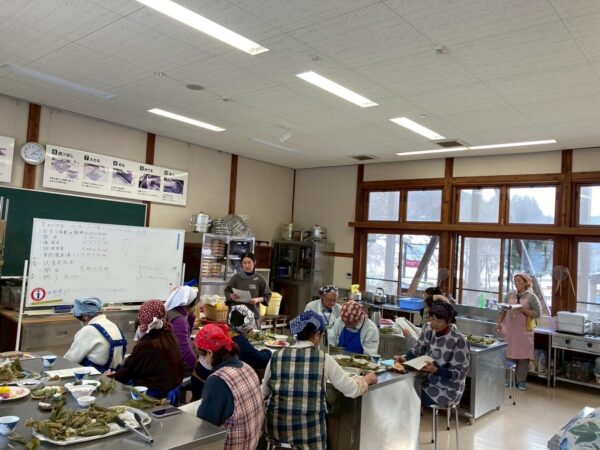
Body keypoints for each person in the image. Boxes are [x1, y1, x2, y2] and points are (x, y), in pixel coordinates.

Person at [261, 311, 377, 449]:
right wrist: (366, 380)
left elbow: (263, 392)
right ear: (316, 335)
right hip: (309, 437)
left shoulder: (276, 356)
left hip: (275, 434)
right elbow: (351, 390)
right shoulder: (324, 359)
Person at [195, 323, 264, 450]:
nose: (199, 359)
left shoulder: (218, 381)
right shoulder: (247, 367)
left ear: (209, 353)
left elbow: (205, 424)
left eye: (200, 354)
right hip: (252, 444)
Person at [395, 301, 469, 407]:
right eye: (432, 319)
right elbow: (418, 348)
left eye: (439, 321)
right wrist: (404, 358)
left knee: (406, 394)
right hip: (427, 381)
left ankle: (410, 417)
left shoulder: (458, 340)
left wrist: (436, 370)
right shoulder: (428, 328)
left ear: (448, 321)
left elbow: (461, 373)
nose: (434, 324)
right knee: (398, 387)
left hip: (447, 390)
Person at [106, 300, 184, 399]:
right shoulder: (170, 338)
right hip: (171, 394)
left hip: (152, 397)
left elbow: (125, 374)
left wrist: (109, 377)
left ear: (141, 318)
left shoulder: (146, 345)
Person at [191, 305, 272, 400]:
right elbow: (261, 360)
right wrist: (267, 351)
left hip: (202, 389)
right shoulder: (240, 344)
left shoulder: (220, 334)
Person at [496, 272, 541, 391]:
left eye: (519, 281)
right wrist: (499, 323)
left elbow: (537, 313)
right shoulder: (509, 295)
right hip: (509, 329)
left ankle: (520, 381)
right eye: (515, 281)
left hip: (524, 331)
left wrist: (522, 309)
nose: (516, 283)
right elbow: (502, 311)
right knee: (508, 354)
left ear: (526, 283)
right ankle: (508, 379)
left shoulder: (532, 297)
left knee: (523, 356)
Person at [64, 297, 126, 372]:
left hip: (94, 376)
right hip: (115, 375)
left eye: (80, 318)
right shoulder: (113, 325)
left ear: (85, 316)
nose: (81, 322)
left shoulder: (89, 330)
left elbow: (70, 360)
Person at [225, 252, 271, 325]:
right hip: (236, 315)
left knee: (252, 332)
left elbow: (267, 295)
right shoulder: (236, 278)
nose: (247, 265)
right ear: (241, 264)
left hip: (252, 314)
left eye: (249, 263)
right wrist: (231, 296)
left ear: (254, 263)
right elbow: (227, 291)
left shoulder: (259, 278)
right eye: (244, 263)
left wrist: (257, 300)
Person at [165, 285, 199, 375]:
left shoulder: (171, 311)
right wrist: (199, 369)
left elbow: (187, 336)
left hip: (169, 358)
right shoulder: (179, 320)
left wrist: (191, 317)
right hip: (175, 364)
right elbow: (185, 351)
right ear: (191, 304)